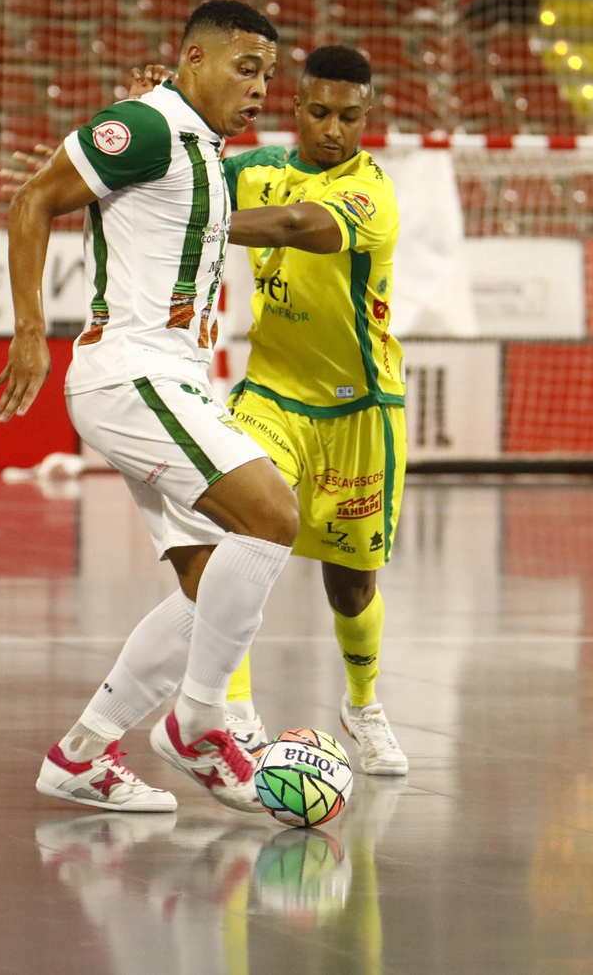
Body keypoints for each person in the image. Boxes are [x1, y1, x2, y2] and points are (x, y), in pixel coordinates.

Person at [0, 0, 295, 815]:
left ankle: (81, 754)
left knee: (212, 593)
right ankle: (200, 723)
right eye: (245, 67)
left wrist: (309, 225)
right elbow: (32, 202)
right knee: (272, 516)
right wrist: (30, 331)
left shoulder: (198, 150)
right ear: (193, 61)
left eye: (268, 72)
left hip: (174, 380)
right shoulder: (151, 127)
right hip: (132, 373)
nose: (261, 86)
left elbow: (215, 223)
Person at [218, 45, 409, 776]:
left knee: (350, 584)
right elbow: (189, 173)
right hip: (270, 394)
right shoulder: (254, 166)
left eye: (349, 117)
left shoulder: (370, 195)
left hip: (360, 409)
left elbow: (297, 226)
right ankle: (230, 712)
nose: (333, 129)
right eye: (320, 112)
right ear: (296, 107)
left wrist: (205, 227)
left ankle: (362, 707)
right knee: (240, 540)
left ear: (367, 118)